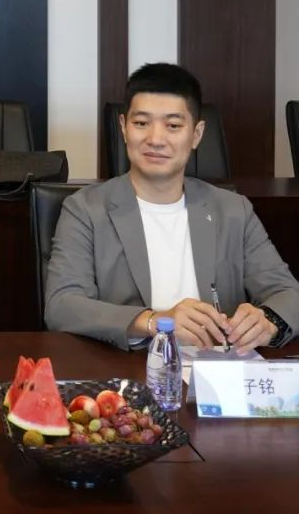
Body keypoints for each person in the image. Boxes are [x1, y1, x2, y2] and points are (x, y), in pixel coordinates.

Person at [45, 63, 298, 352]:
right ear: (123, 127)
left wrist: (268, 322)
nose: (155, 139)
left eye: (173, 126)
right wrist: (155, 321)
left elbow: (288, 293)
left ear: (197, 134)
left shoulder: (233, 210)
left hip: (215, 368)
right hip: (129, 370)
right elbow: (61, 306)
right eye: (141, 123)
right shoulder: (85, 209)